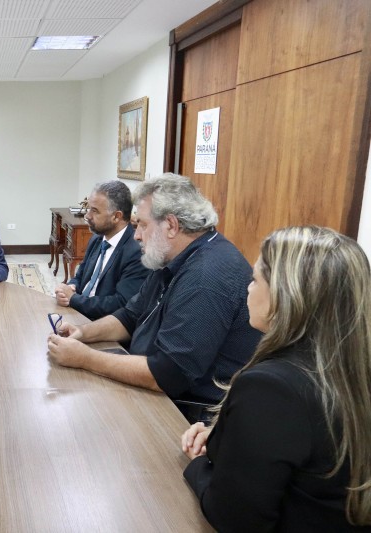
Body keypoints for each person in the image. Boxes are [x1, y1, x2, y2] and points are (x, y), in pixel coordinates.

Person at [182, 226, 371, 531]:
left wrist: (199, 465)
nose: (248, 289)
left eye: (255, 279)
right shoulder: (351, 372)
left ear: (287, 296)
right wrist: (227, 440)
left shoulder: (270, 387)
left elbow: (233, 517)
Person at [47, 173, 261, 412]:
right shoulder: (173, 255)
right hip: (155, 385)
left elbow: (168, 374)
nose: (136, 235)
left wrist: (85, 358)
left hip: (188, 410)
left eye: (142, 225)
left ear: (171, 225)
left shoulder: (206, 277)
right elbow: (130, 315)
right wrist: (83, 333)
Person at [54, 180, 148, 320]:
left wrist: (73, 299)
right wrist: (70, 288)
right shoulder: (97, 239)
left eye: (94, 211)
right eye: (89, 209)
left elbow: (120, 303)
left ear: (116, 216)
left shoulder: (136, 252)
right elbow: (80, 276)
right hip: (77, 312)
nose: (87, 216)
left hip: (101, 323)